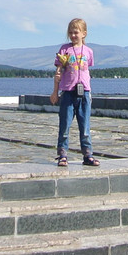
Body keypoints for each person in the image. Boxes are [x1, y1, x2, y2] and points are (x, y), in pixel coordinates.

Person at [49, 18, 100, 167]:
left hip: (84, 92)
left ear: (84, 33)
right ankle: (62, 155)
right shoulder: (65, 50)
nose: (72, 35)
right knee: (64, 125)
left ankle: (88, 154)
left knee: (85, 126)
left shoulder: (89, 52)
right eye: (70, 32)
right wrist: (55, 91)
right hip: (68, 92)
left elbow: (87, 68)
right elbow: (58, 71)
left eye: (76, 32)